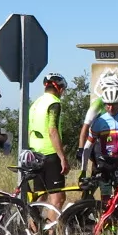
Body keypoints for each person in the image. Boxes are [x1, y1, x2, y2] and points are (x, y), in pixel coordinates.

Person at [25, 72, 72, 217]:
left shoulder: (36, 103)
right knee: (57, 198)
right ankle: (51, 233)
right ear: (60, 89)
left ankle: (34, 232)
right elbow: (52, 130)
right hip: (50, 154)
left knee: (40, 196)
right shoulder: (54, 103)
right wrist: (62, 157)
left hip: (35, 154)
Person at [82, 76, 118, 191]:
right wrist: (81, 149)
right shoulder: (98, 103)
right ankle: (86, 203)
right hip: (99, 146)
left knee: (115, 190)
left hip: (116, 150)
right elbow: (85, 127)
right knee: (96, 183)